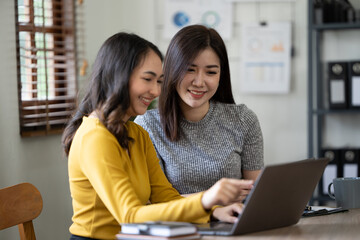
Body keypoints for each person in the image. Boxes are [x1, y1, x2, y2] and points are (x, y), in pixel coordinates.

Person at [62, 32, 254, 240]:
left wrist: (212, 211)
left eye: (160, 81)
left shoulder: (137, 134)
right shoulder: (95, 137)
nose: (155, 91)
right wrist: (205, 200)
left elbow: (165, 197)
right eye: (147, 79)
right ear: (118, 76)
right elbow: (129, 215)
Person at [135, 25, 264, 196]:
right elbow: (153, 201)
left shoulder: (243, 119)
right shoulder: (147, 126)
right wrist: (210, 201)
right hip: (177, 223)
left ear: (221, 76)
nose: (199, 82)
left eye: (211, 72)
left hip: (235, 221)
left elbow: (256, 194)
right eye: (190, 70)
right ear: (172, 70)